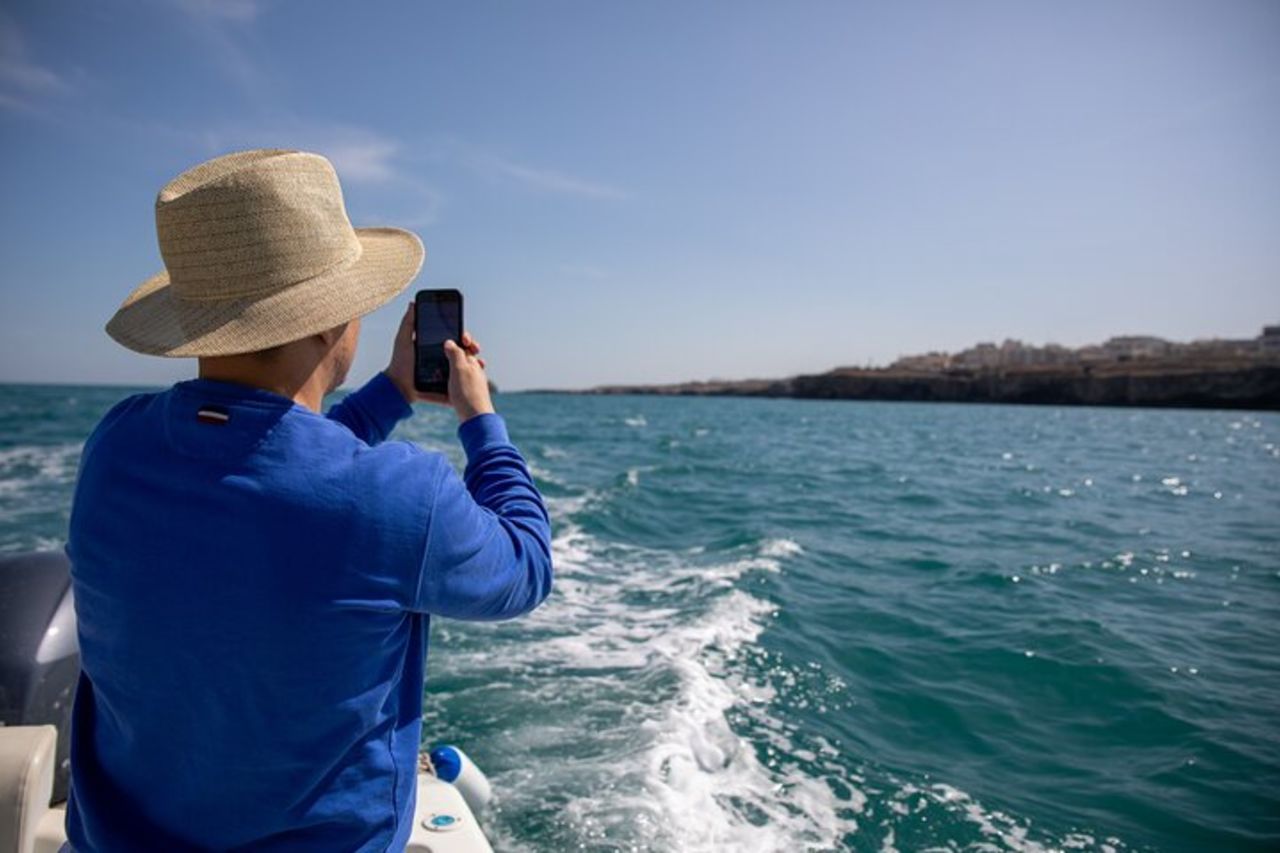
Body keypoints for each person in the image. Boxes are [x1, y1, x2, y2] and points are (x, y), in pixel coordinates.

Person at [60, 148, 553, 852]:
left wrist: (389, 394)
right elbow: (526, 567)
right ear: (328, 322)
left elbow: (268, 468)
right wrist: (479, 417)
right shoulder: (402, 496)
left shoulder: (115, 449)